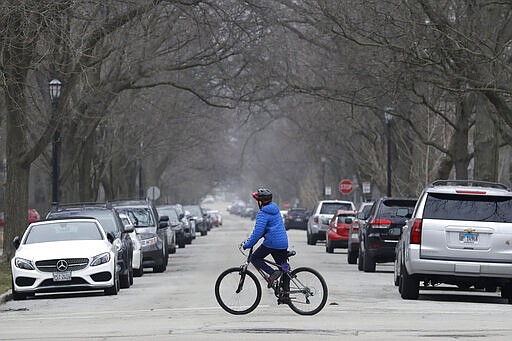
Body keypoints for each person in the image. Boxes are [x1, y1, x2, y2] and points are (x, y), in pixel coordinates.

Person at [242, 188, 290, 296]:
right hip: (283, 243)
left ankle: (272, 274)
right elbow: (269, 228)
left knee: (255, 258)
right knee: (284, 267)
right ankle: (286, 294)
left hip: (272, 243)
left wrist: (248, 244)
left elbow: (258, 232)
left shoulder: (263, 213)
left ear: (261, 202)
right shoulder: (275, 209)